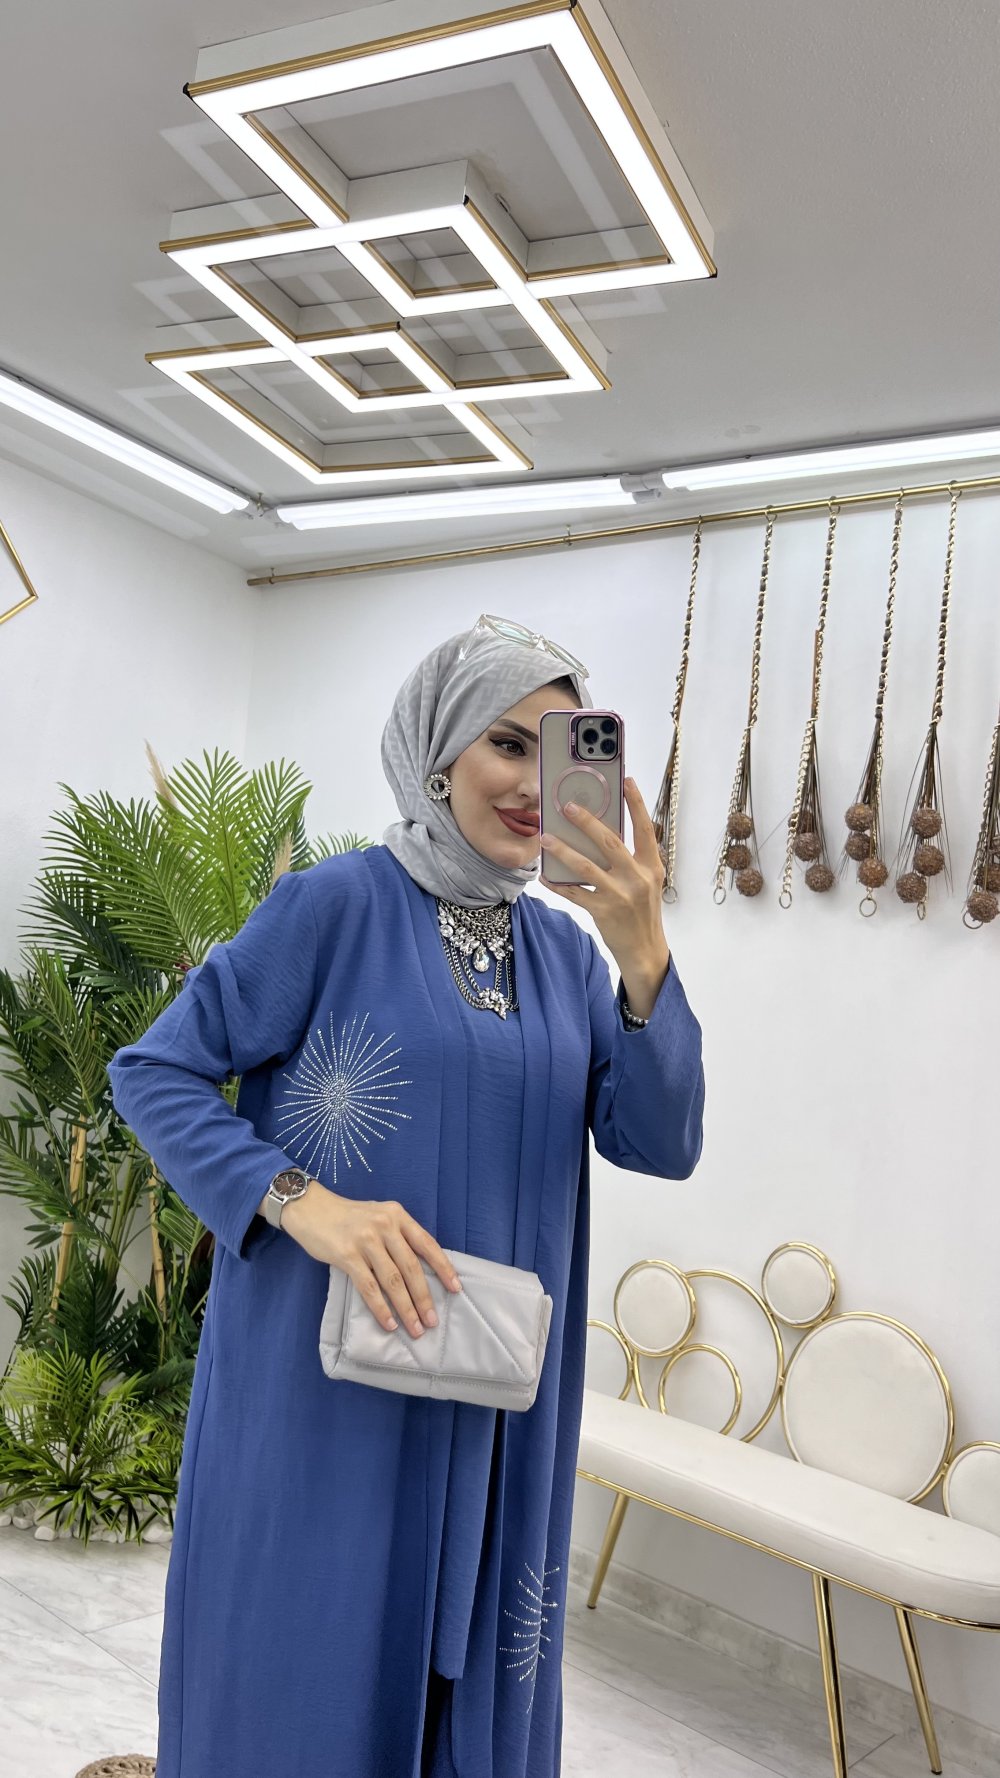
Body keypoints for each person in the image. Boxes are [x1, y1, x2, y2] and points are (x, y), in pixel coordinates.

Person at [106, 613, 705, 1778]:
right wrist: (298, 1198)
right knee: (303, 1669)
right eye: (503, 743)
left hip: (495, 1395)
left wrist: (643, 955)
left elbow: (658, 1139)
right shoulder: (332, 906)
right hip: (326, 1389)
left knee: (469, 1688)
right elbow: (155, 1068)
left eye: (556, 751)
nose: (531, 782)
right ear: (436, 756)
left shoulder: (566, 956)